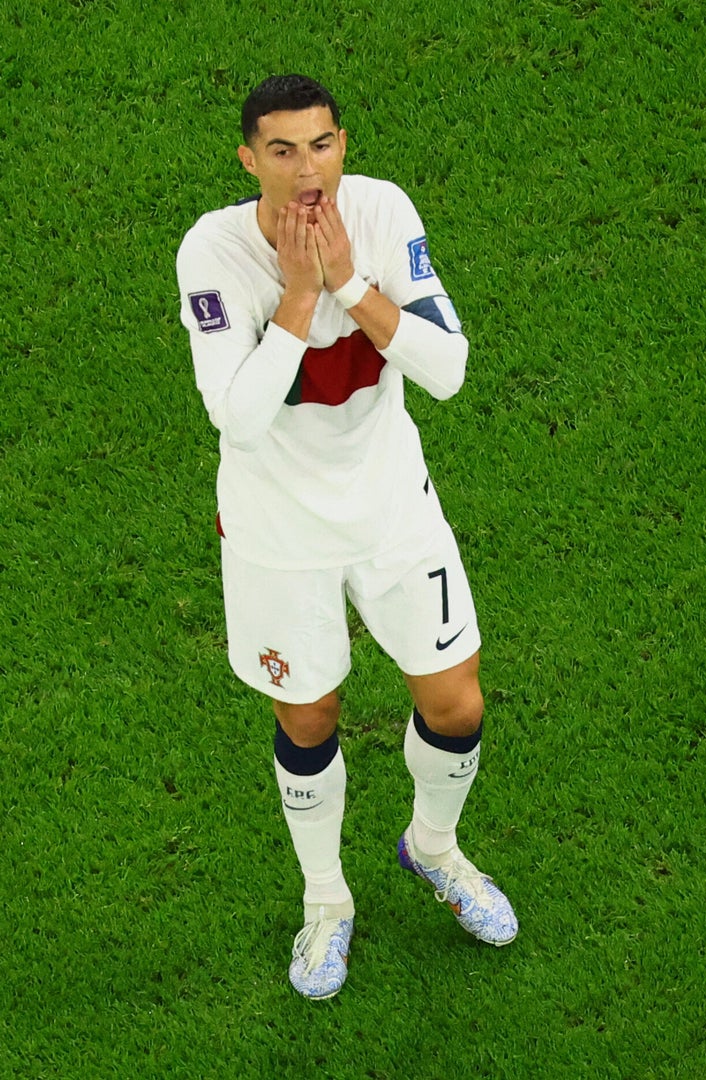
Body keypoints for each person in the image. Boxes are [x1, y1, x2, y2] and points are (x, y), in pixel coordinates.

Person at [176, 74, 517, 1000]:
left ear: (343, 144)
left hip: (393, 510)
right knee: (309, 716)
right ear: (250, 159)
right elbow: (237, 420)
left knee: (456, 705)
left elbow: (446, 370)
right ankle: (326, 903)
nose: (305, 170)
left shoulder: (379, 211)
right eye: (280, 151)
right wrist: (296, 298)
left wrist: (351, 285)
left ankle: (434, 849)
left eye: (320, 145)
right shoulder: (211, 252)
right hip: (278, 534)